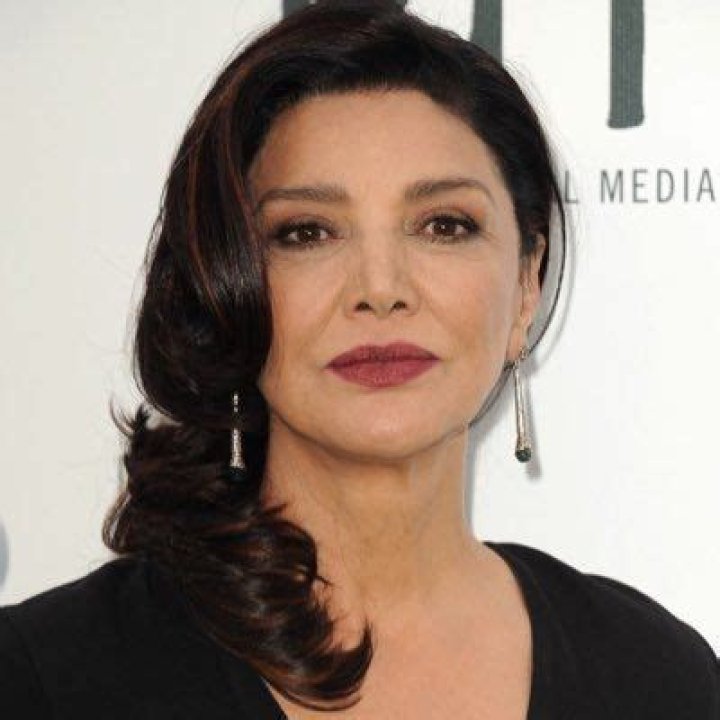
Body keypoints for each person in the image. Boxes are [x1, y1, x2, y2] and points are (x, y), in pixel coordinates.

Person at [1, 1, 718, 718]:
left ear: (526, 285)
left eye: (443, 225)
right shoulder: (47, 678)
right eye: (307, 232)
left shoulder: (656, 677)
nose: (380, 288)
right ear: (227, 287)